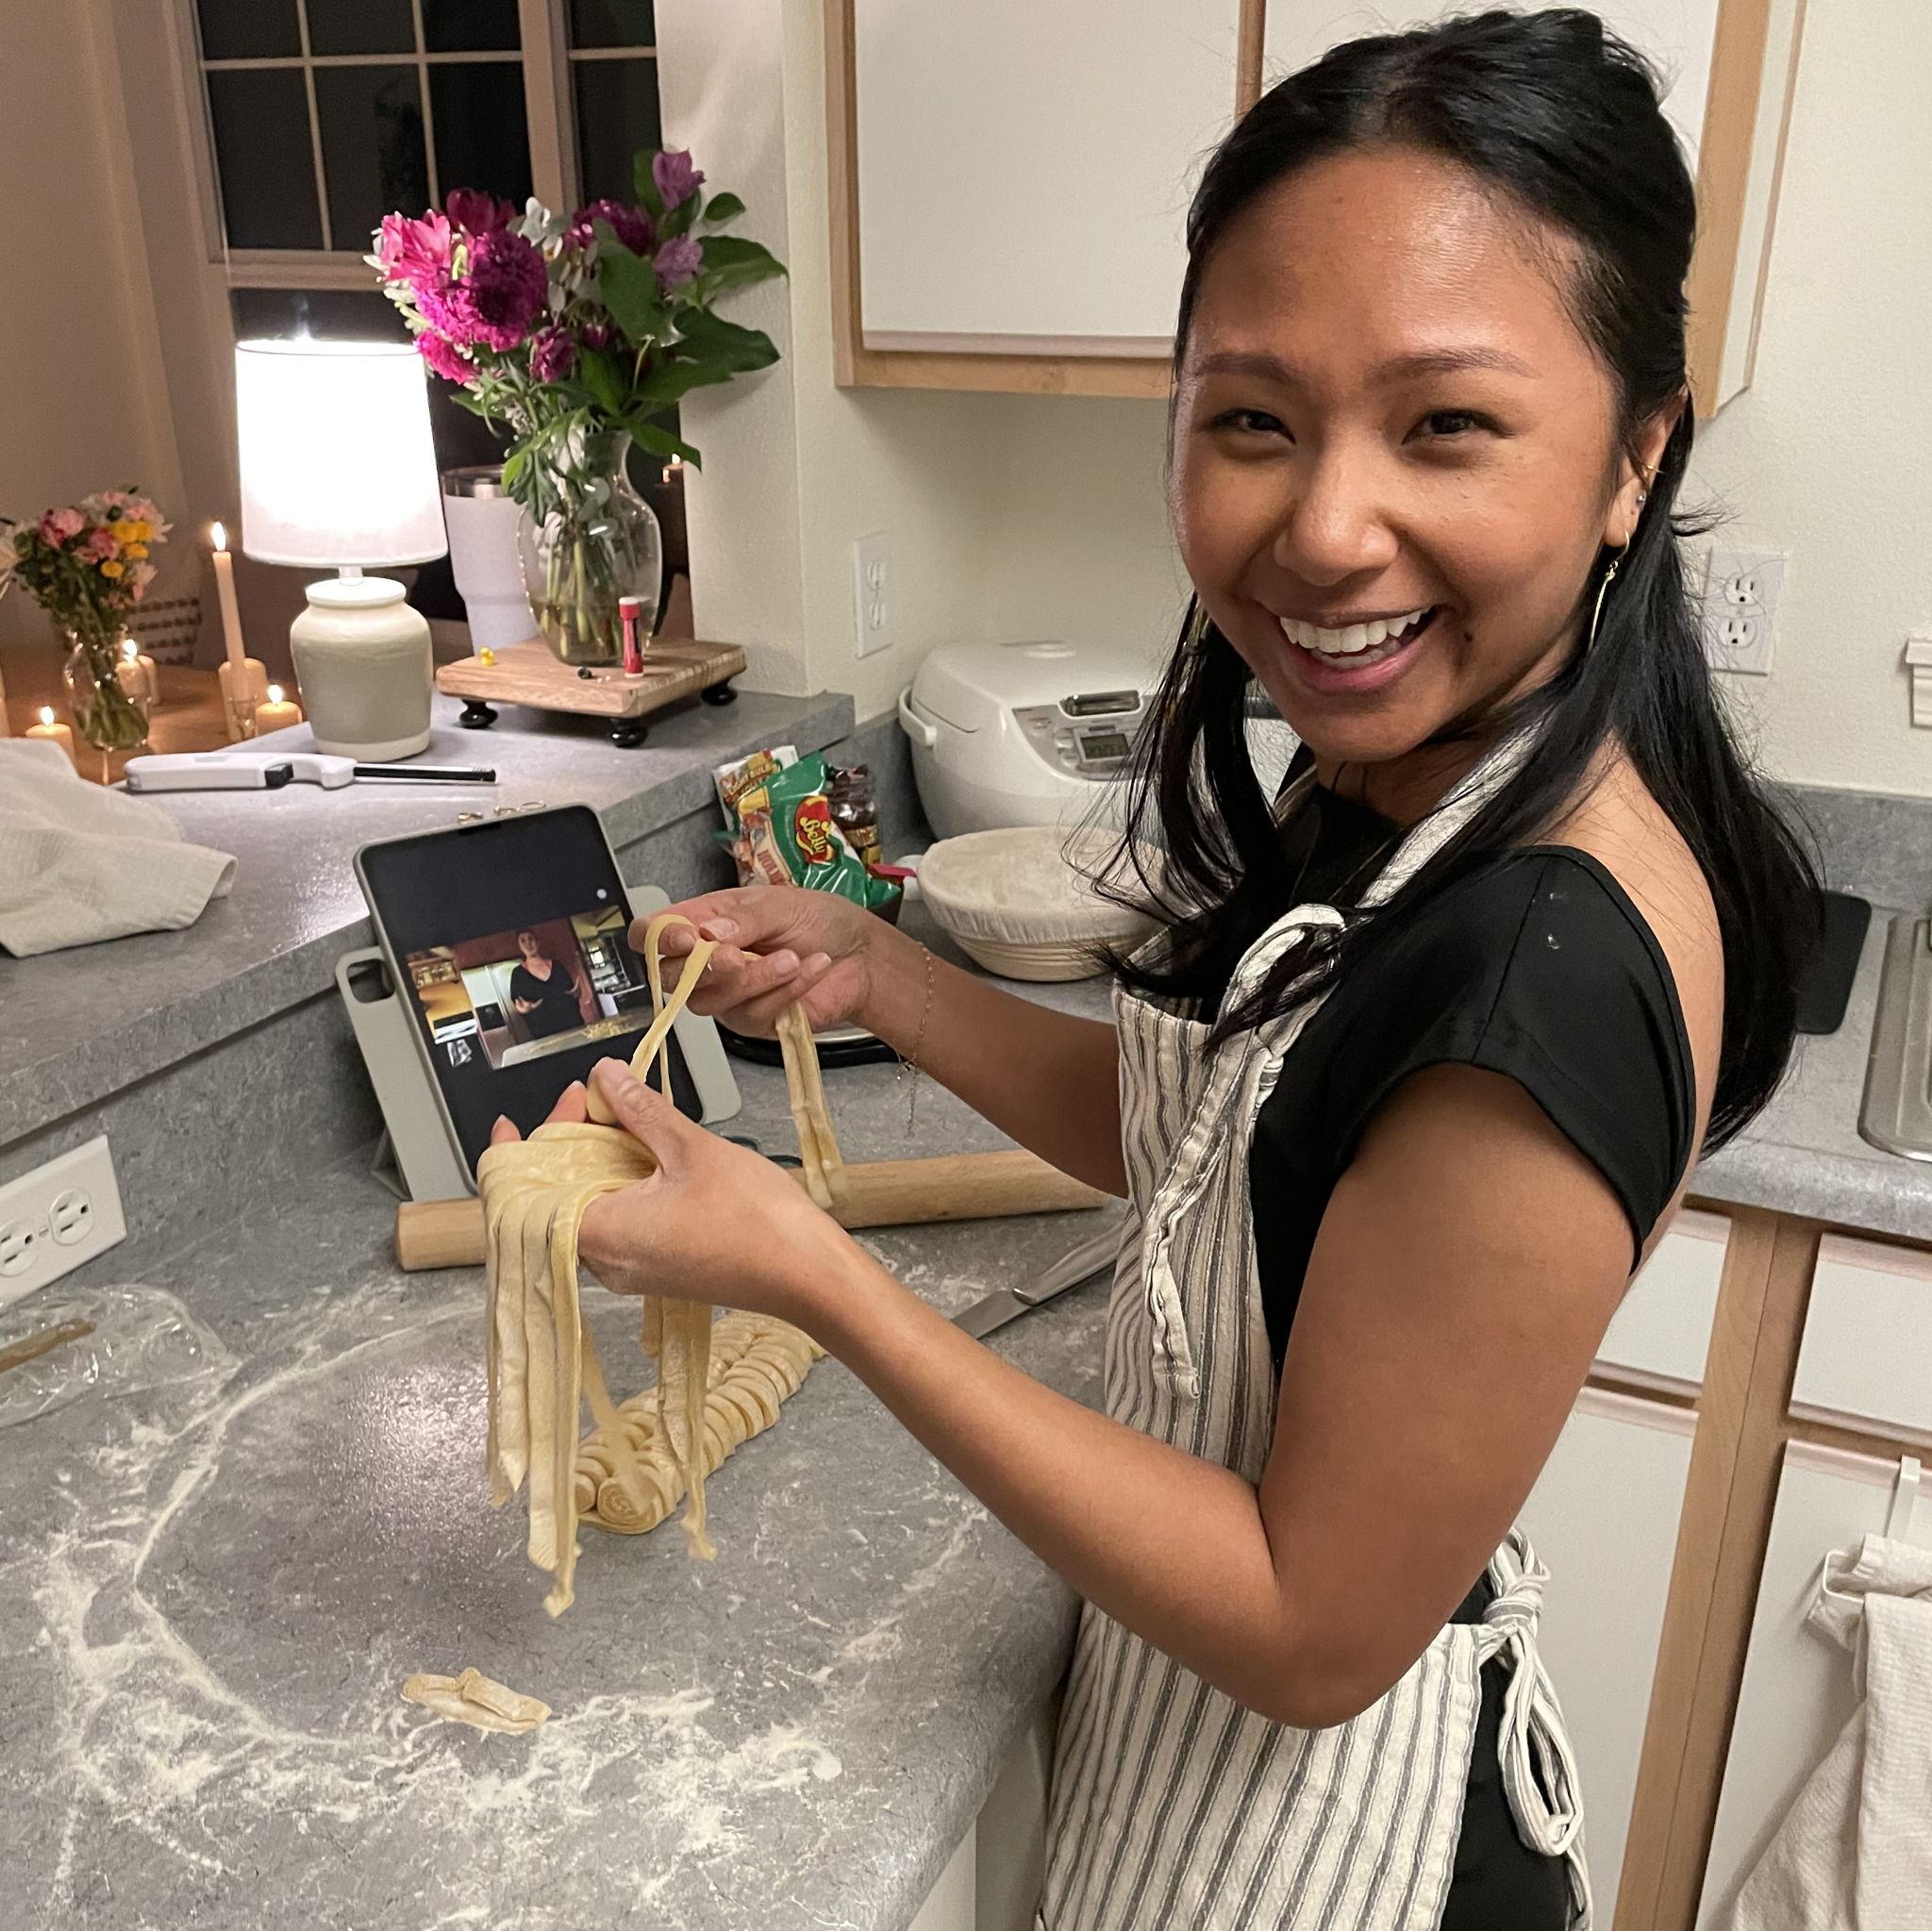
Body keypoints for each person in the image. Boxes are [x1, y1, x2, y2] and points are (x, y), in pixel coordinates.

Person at [495, 11, 1816, 1925]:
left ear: (1632, 457)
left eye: (1445, 423)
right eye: (1253, 421)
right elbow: (1229, 1163)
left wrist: (819, 1276)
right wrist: (888, 974)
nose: (1324, 526)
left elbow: (1304, 1625)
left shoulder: (1534, 976)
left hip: (1327, 1849)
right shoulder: (1427, 779)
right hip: (1206, 1784)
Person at [507, 929, 586, 1040]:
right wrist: (525, 1008)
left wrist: (577, 993)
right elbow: (519, 1005)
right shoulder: (518, 974)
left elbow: (572, 994)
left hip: (573, 1027)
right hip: (544, 1034)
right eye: (523, 941)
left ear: (538, 942)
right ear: (519, 946)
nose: (528, 943)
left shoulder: (557, 966)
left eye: (531, 938)